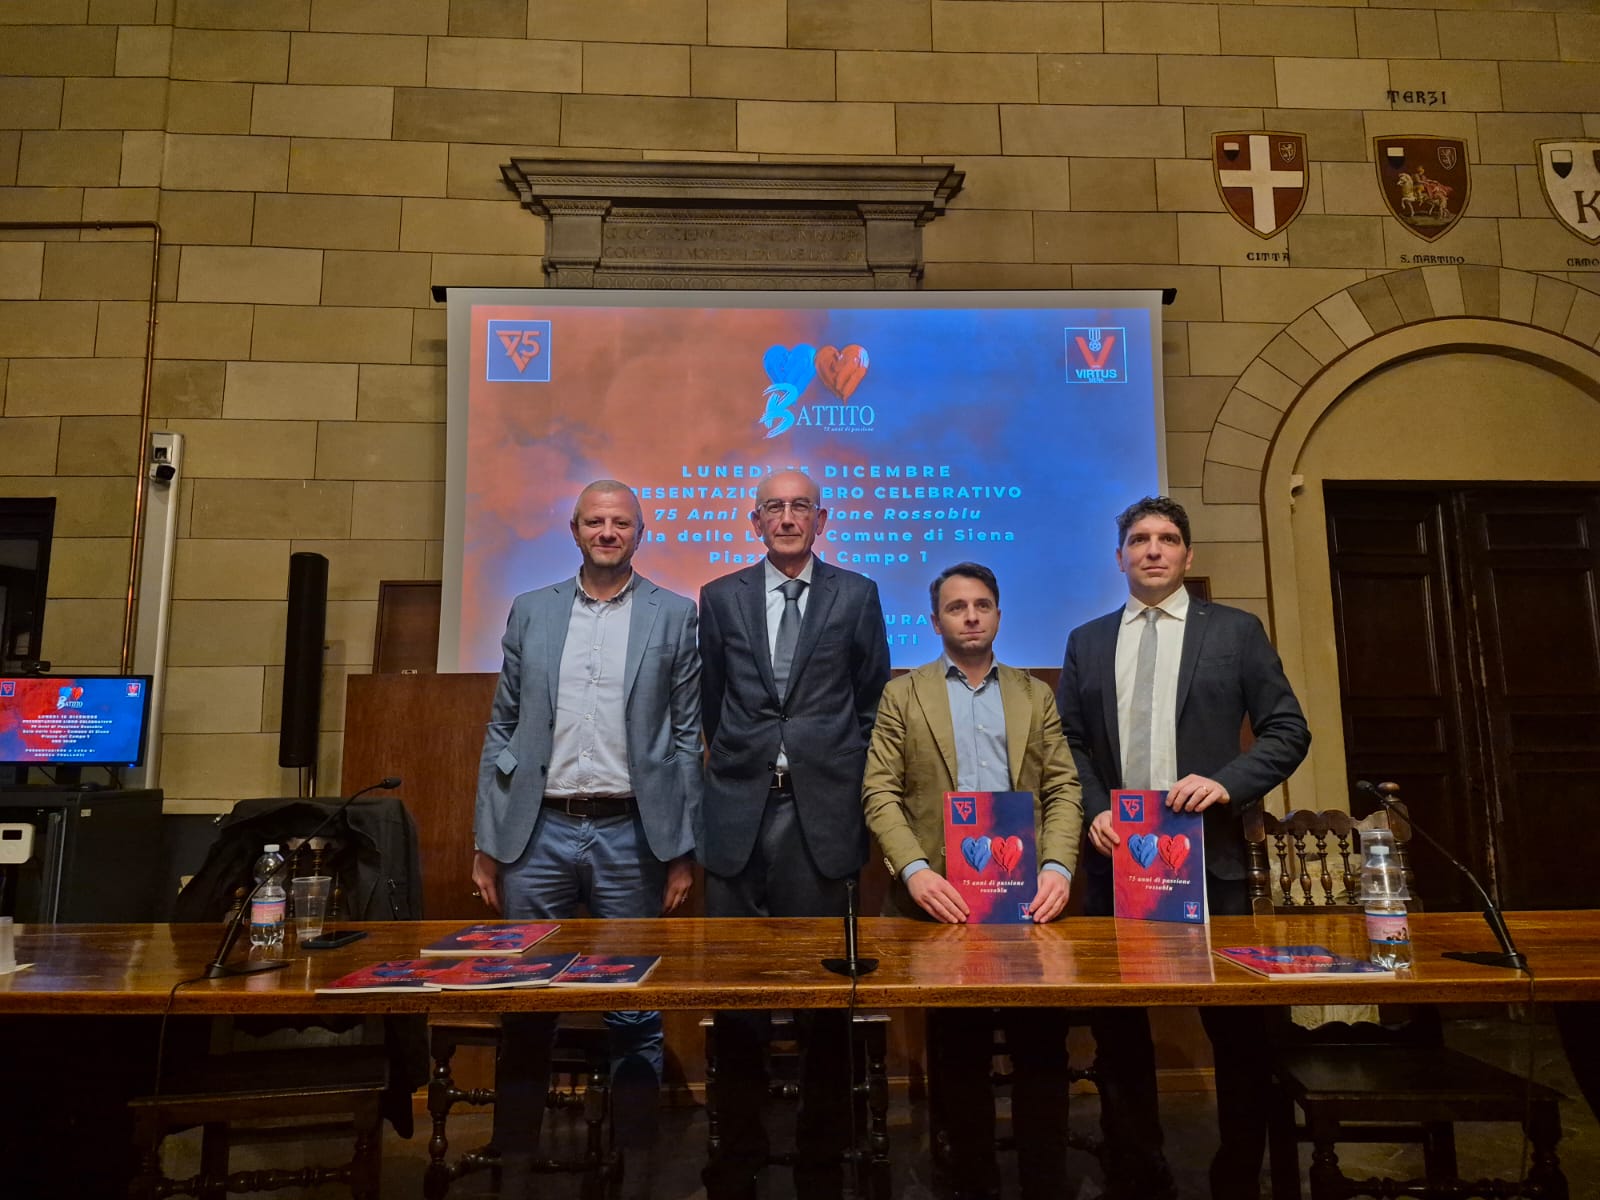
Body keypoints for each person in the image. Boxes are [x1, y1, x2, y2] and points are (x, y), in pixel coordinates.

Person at [1056, 496, 1311, 1200]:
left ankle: (1237, 1174)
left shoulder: (1235, 632)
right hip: (1118, 863)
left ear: (1188, 556)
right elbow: (1068, 743)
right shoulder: (1087, 640)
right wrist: (1095, 808)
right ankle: (1139, 1169)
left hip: (1212, 860)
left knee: (1237, 1034)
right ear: (1120, 558)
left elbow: (1288, 730)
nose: (1154, 550)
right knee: (1120, 1033)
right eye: (1139, 539)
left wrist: (1227, 784)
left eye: (1168, 539)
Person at [471, 479, 702, 1195]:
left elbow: (688, 735)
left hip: (631, 832)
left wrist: (680, 847)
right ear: (574, 530)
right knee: (523, 1000)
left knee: (633, 1006)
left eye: (621, 522)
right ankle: (512, 1161)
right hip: (535, 832)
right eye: (596, 521)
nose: (608, 531)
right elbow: (503, 726)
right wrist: (487, 837)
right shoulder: (532, 611)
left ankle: (638, 1163)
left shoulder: (676, 615)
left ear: (640, 532)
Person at [697, 468, 891, 1200]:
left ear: (821, 518)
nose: (786, 517)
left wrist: (838, 771)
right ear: (755, 520)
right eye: (773, 507)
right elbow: (712, 701)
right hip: (739, 814)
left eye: (799, 507)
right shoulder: (719, 598)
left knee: (822, 998)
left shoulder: (856, 594)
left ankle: (821, 1158)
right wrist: (745, 761)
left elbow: (872, 696)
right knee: (738, 995)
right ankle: (738, 1155)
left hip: (822, 815)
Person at [861, 562, 1082, 1200]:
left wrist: (1058, 866)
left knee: (1041, 1052)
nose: (971, 616)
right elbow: (880, 791)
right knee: (956, 1057)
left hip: (1030, 905)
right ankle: (970, 1183)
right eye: (957, 607)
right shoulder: (903, 694)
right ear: (935, 621)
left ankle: (1045, 1183)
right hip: (944, 905)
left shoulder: (1034, 693)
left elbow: (1064, 788)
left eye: (982, 605)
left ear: (999, 615)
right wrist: (916, 870)